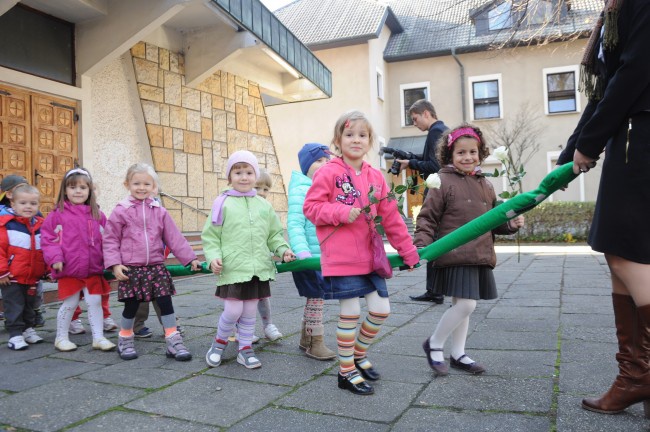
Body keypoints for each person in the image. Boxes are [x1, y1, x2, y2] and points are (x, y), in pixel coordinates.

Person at [556, 0, 650, 417]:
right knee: (622, 256)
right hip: (630, 134)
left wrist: (590, 143)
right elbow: (606, 86)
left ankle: (640, 376)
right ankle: (635, 375)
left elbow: (633, 73)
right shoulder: (617, 11)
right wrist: (571, 153)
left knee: (624, 252)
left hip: (640, 135)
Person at [303, 111, 420, 395]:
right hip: (341, 257)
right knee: (351, 313)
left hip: (370, 256)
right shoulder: (328, 172)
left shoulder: (376, 177)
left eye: (362, 135)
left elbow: (391, 218)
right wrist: (341, 212)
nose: (356, 139)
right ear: (338, 140)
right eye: (349, 134)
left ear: (370, 142)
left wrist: (408, 250)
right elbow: (311, 208)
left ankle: (355, 354)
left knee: (381, 310)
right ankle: (345, 372)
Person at [414, 124, 524, 376]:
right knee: (466, 305)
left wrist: (511, 223)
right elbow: (427, 217)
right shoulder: (442, 181)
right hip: (454, 253)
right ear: (450, 155)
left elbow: (494, 221)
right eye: (461, 153)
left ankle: (458, 354)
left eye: (472, 152)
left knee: (462, 306)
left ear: (480, 153)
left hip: (478, 254)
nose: (467, 157)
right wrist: (422, 244)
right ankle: (434, 344)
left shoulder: (486, 185)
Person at [202, 150, 296, 369]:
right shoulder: (222, 203)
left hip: (258, 269)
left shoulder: (264, 206)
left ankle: (245, 349)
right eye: (238, 172)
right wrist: (213, 257)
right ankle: (218, 343)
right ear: (230, 177)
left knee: (250, 312)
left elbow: (273, 235)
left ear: (255, 175)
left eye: (248, 172)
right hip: (233, 268)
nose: (243, 177)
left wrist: (283, 250)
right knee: (233, 310)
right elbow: (211, 236)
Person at [103, 163, 200, 361]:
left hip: (156, 267)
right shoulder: (121, 211)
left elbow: (174, 237)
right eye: (136, 183)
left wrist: (190, 258)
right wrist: (114, 264)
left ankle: (173, 340)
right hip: (131, 269)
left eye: (146, 184)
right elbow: (111, 238)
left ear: (154, 186)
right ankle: (125, 338)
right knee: (131, 306)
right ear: (127, 184)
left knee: (166, 304)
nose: (141, 187)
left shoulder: (160, 211)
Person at [41, 168, 116, 352]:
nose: (78, 191)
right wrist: (55, 258)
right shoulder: (57, 214)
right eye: (72, 187)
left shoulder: (98, 214)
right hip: (69, 269)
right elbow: (48, 238)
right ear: (64, 190)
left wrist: (112, 261)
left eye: (83, 187)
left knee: (95, 302)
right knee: (70, 303)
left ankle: (98, 337)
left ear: (90, 190)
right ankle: (61, 337)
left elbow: (108, 239)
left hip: (92, 269)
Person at [287, 143, 336, 360]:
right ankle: (316, 342)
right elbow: (295, 224)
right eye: (318, 161)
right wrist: (303, 253)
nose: (324, 164)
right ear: (307, 165)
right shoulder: (301, 189)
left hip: (320, 256)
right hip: (307, 256)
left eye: (327, 160)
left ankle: (305, 339)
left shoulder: (323, 188)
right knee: (316, 298)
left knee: (315, 298)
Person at [396, 100, 448, 304]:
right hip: (441, 191)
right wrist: (410, 158)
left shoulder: (436, 131)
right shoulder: (442, 129)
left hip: (436, 192)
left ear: (426, 113)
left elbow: (434, 165)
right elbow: (431, 158)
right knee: (438, 239)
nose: (414, 123)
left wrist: (412, 163)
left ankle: (435, 291)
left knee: (431, 238)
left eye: (415, 119)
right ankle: (436, 289)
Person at [0, 184, 47, 350]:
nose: (28, 207)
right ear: (13, 205)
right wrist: (2, 272)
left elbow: (45, 249)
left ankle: (28, 329)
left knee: (30, 304)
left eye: (33, 204)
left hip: (33, 276)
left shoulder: (41, 225)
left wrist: (46, 270)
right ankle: (15, 335)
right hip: (12, 276)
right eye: (23, 203)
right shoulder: (6, 225)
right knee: (14, 305)